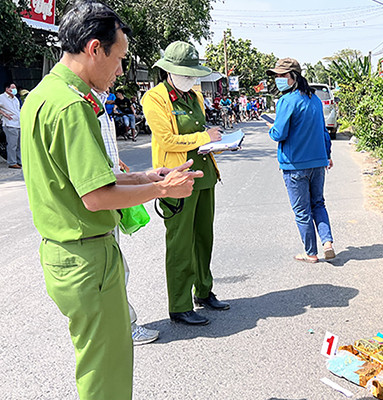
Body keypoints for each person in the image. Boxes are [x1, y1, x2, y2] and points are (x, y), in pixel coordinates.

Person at [19, 2, 203, 398]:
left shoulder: (43, 95)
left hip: (65, 255)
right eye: (119, 58)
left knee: (97, 364)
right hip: (87, 258)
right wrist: (162, 190)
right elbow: (97, 197)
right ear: (94, 48)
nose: (121, 71)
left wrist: (141, 176)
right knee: (108, 373)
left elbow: (74, 179)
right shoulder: (72, 107)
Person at [142, 41, 231, 326]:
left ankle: (204, 291)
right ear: (169, 71)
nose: (191, 78)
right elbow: (167, 139)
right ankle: (179, 305)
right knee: (180, 242)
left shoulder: (194, 95)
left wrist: (219, 142)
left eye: (193, 73)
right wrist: (205, 138)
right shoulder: (155, 99)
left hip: (204, 174)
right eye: (185, 72)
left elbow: (199, 131)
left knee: (204, 237)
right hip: (175, 177)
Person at [94, 88, 160, 345]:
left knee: (116, 268)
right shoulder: (80, 106)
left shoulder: (100, 103)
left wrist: (116, 162)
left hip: (110, 182)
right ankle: (125, 327)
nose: (119, 70)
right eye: (117, 60)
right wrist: (156, 188)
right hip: (102, 199)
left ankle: (120, 325)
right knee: (115, 270)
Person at [267, 57, 335, 263]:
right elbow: (323, 131)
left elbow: (279, 133)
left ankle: (311, 252)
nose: (278, 79)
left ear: (293, 77)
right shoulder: (314, 99)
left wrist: (271, 128)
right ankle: (327, 242)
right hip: (318, 162)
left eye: (281, 75)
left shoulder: (286, 101)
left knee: (302, 210)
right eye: (276, 75)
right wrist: (328, 154)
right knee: (318, 204)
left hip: (294, 165)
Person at [0, 82, 22, 169]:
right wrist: (4, 114)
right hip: (10, 124)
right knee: (12, 144)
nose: (14, 89)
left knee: (18, 144)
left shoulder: (15, 99)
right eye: (12, 88)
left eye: (15, 88)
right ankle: (12, 162)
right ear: (7, 89)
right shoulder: (2, 97)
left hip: (18, 124)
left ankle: (19, 161)